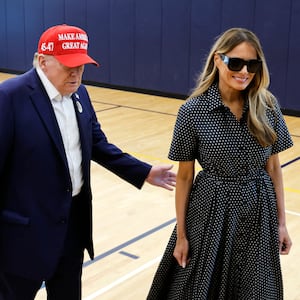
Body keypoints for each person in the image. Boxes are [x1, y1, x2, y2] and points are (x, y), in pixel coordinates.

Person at [0, 24, 176, 300]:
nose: (76, 73)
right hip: (24, 234)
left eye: (81, 66)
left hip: (71, 226)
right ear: (42, 61)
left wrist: (144, 172)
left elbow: (97, 144)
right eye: (68, 65)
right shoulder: (10, 97)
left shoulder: (80, 93)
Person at [147, 27, 293, 299]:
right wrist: (181, 235)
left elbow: (273, 168)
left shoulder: (268, 105)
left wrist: (281, 223)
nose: (244, 71)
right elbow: (184, 177)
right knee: (199, 288)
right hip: (210, 210)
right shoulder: (192, 111)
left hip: (258, 210)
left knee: (256, 289)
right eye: (236, 63)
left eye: (252, 64)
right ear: (218, 60)